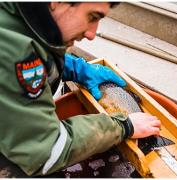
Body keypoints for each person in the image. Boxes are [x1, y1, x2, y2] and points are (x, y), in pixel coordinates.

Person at [0, 2, 161, 176]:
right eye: (92, 17)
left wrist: (74, 67)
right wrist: (124, 126)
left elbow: (33, 49)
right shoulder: (13, 52)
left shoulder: (16, 18)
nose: (92, 34)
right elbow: (45, 152)